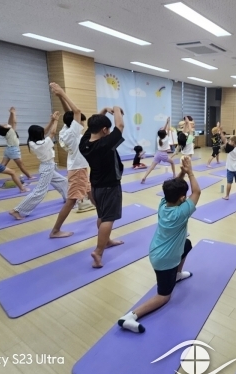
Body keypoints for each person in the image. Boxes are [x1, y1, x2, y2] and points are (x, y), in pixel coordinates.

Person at [118, 156, 201, 333]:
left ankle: (177, 275)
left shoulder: (163, 203)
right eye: (184, 196)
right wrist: (190, 172)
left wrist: (182, 173)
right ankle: (130, 317)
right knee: (164, 296)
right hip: (164, 260)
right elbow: (197, 192)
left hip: (157, 250)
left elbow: (175, 190)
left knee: (186, 244)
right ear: (182, 198)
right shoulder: (181, 213)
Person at [80, 106, 126, 268]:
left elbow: (91, 126)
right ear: (105, 130)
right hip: (110, 187)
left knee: (102, 215)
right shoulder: (105, 144)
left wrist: (104, 111)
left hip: (96, 187)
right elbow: (120, 126)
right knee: (108, 218)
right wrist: (116, 109)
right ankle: (98, 252)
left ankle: (106, 241)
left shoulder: (84, 143)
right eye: (108, 129)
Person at [49, 83, 95, 238]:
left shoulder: (65, 130)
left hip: (78, 168)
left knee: (91, 193)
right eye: (81, 121)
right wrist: (62, 93)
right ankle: (55, 230)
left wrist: (61, 98)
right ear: (76, 122)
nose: (82, 124)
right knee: (71, 200)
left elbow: (69, 113)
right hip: (78, 170)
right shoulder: (73, 133)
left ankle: (103, 216)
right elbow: (76, 111)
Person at [9, 112, 68, 220]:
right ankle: (17, 210)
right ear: (38, 135)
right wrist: (56, 120)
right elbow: (52, 132)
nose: (43, 133)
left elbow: (44, 131)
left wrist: (51, 120)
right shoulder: (41, 144)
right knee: (40, 192)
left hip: (48, 166)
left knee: (63, 181)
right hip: (47, 168)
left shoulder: (33, 142)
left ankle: (68, 198)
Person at [0, 106, 33, 184]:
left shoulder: (8, 131)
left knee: (2, 165)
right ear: (5, 128)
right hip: (13, 150)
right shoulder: (10, 131)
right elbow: (14, 122)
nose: (5, 124)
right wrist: (14, 113)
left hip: (8, 150)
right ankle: (29, 176)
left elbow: (10, 123)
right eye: (4, 125)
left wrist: (11, 113)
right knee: (21, 165)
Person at [141, 117, 177, 183]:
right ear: (165, 134)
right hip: (163, 155)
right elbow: (168, 129)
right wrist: (168, 122)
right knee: (172, 162)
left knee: (152, 166)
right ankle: (174, 175)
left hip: (157, 154)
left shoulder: (158, 138)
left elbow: (163, 130)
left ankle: (144, 177)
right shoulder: (166, 138)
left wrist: (166, 122)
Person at [221, 126, 236, 200]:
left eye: (230, 141)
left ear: (233, 142)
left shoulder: (230, 149)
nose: (229, 142)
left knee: (229, 182)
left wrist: (220, 131)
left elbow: (224, 140)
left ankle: (227, 196)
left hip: (230, 169)